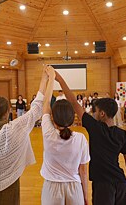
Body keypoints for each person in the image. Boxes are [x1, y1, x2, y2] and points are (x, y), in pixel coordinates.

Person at [55, 71, 126, 205]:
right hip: (121, 183)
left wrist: (59, 79)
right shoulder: (121, 134)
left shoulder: (95, 128)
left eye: (95, 111)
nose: (93, 114)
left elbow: (73, 102)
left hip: (103, 185)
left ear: (102, 114)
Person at [0, 66, 48, 205]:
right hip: (8, 186)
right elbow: (36, 110)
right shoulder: (9, 131)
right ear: (6, 113)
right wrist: (45, 78)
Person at [40, 67, 90, 205]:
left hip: (52, 188)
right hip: (75, 188)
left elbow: (46, 103)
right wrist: (85, 196)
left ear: (52, 118)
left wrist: (51, 78)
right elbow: (84, 172)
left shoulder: (48, 133)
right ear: (72, 118)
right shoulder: (80, 138)